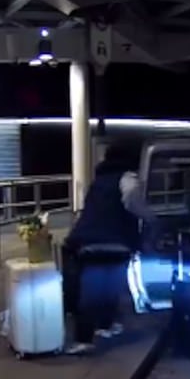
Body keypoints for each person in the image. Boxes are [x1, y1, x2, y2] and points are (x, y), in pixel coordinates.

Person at [64, 144, 158, 355]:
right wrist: (150, 217)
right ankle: (104, 326)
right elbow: (132, 199)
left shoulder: (98, 182)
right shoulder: (126, 178)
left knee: (91, 290)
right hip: (117, 241)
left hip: (88, 242)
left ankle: (85, 337)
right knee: (111, 287)